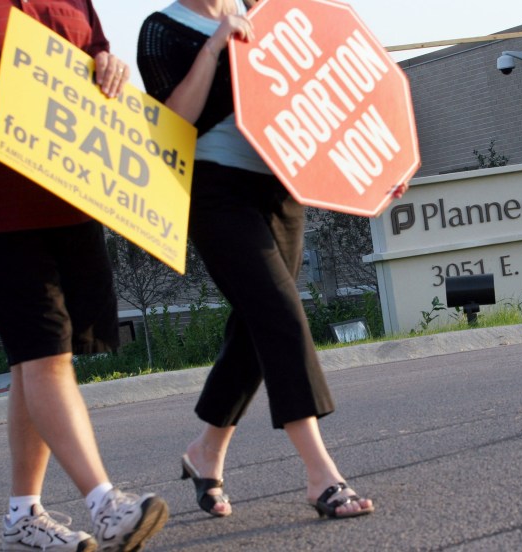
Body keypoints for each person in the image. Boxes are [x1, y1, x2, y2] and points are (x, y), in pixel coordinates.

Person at [137, 0, 406, 520]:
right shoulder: (161, 30)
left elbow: (331, 93)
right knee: (280, 316)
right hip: (214, 191)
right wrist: (215, 47)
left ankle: (205, 453)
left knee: (255, 329)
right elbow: (172, 122)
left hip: (283, 185)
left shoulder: (271, 13)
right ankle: (321, 475)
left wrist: (380, 161)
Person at [0, 2, 169, 551]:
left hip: (69, 196)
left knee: (38, 358)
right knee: (46, 351)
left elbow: (94, 54)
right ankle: (105, 504)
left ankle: (22, 515)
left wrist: (108, 63)